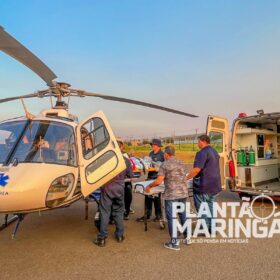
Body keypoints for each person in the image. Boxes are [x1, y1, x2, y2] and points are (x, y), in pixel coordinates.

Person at [146, 146, 190, 251]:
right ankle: (187, 237)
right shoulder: (182, 163)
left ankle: (174, 243)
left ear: (166, 154)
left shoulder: (165, 164)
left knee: (172, 218)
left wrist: (149, 186)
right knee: (183, 215)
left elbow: (158, 181)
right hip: (183, 193)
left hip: (171, 195)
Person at [94, 138, 133, 247]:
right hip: (120, 189)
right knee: (119, 212)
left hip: (107, 188)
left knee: (105, 212)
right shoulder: (126, 160)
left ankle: (102, 238)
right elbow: (131, 176)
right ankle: (120, 235)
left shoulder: (105, 159)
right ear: (121, 148)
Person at [186, 134, 222, 235]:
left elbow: (197, 169)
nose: (198, 144)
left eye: (198, 141)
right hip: (214, 185)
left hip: (203, 186)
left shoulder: (201, 153)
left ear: (202, 141)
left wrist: (185, 178)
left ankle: (204, 229)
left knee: (202, 208)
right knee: (211, 207)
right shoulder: (214, 151)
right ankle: (212, 228)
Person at [137, 138, 164, 222]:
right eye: (152, 145)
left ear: (158, 146)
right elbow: (148, 164)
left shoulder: (162, 155)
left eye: (154, 145)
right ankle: (147, 215)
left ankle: (158, 216)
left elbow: (163, 167)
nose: (152, 146)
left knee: (156, 198)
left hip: (157, 178)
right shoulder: (151, 153)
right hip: (150, 176)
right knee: (148, 196)